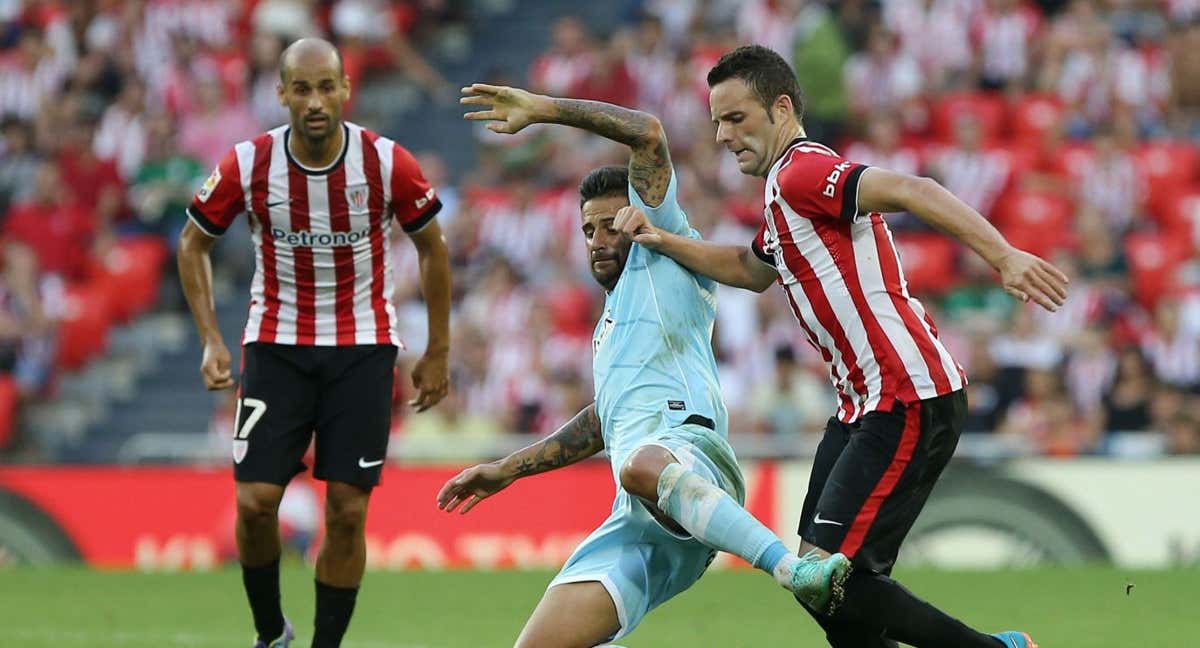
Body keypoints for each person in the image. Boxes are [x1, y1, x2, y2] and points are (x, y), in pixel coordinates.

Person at [616, 45, 1065, 648]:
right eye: (716, 121)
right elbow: (748, 269)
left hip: (905, 392)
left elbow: (913, 188)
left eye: (736, 118)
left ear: (780, 108)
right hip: (863, 405)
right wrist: (661, 238)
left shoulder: (803, 170)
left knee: (838, 581)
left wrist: (1003, 256)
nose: (722, 135)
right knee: (812, 573)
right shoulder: (781, 191)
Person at [437, 84, 852, 648]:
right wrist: (508, 469)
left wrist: (545, 111)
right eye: (588, 229)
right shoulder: (608, 327)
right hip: (637, 511)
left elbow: (649, 133)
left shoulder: (663, 251)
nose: (599, 239)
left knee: (638, 462)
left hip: (690, 459)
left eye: (610, 223)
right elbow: (600, 422)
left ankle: (791, 569)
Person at [177, 38, 451, 648]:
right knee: (254, 502)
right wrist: (208, 340)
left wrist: (438, 350)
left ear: (346, 90)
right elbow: (192, 241)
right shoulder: (248, 163)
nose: (316, 101)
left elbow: (432, 248)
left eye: (327, 86)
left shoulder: (386, 163)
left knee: (348, 511)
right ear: (282, 94)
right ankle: (271, 631)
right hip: (275, 346)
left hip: (362, 350)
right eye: (301, 89)